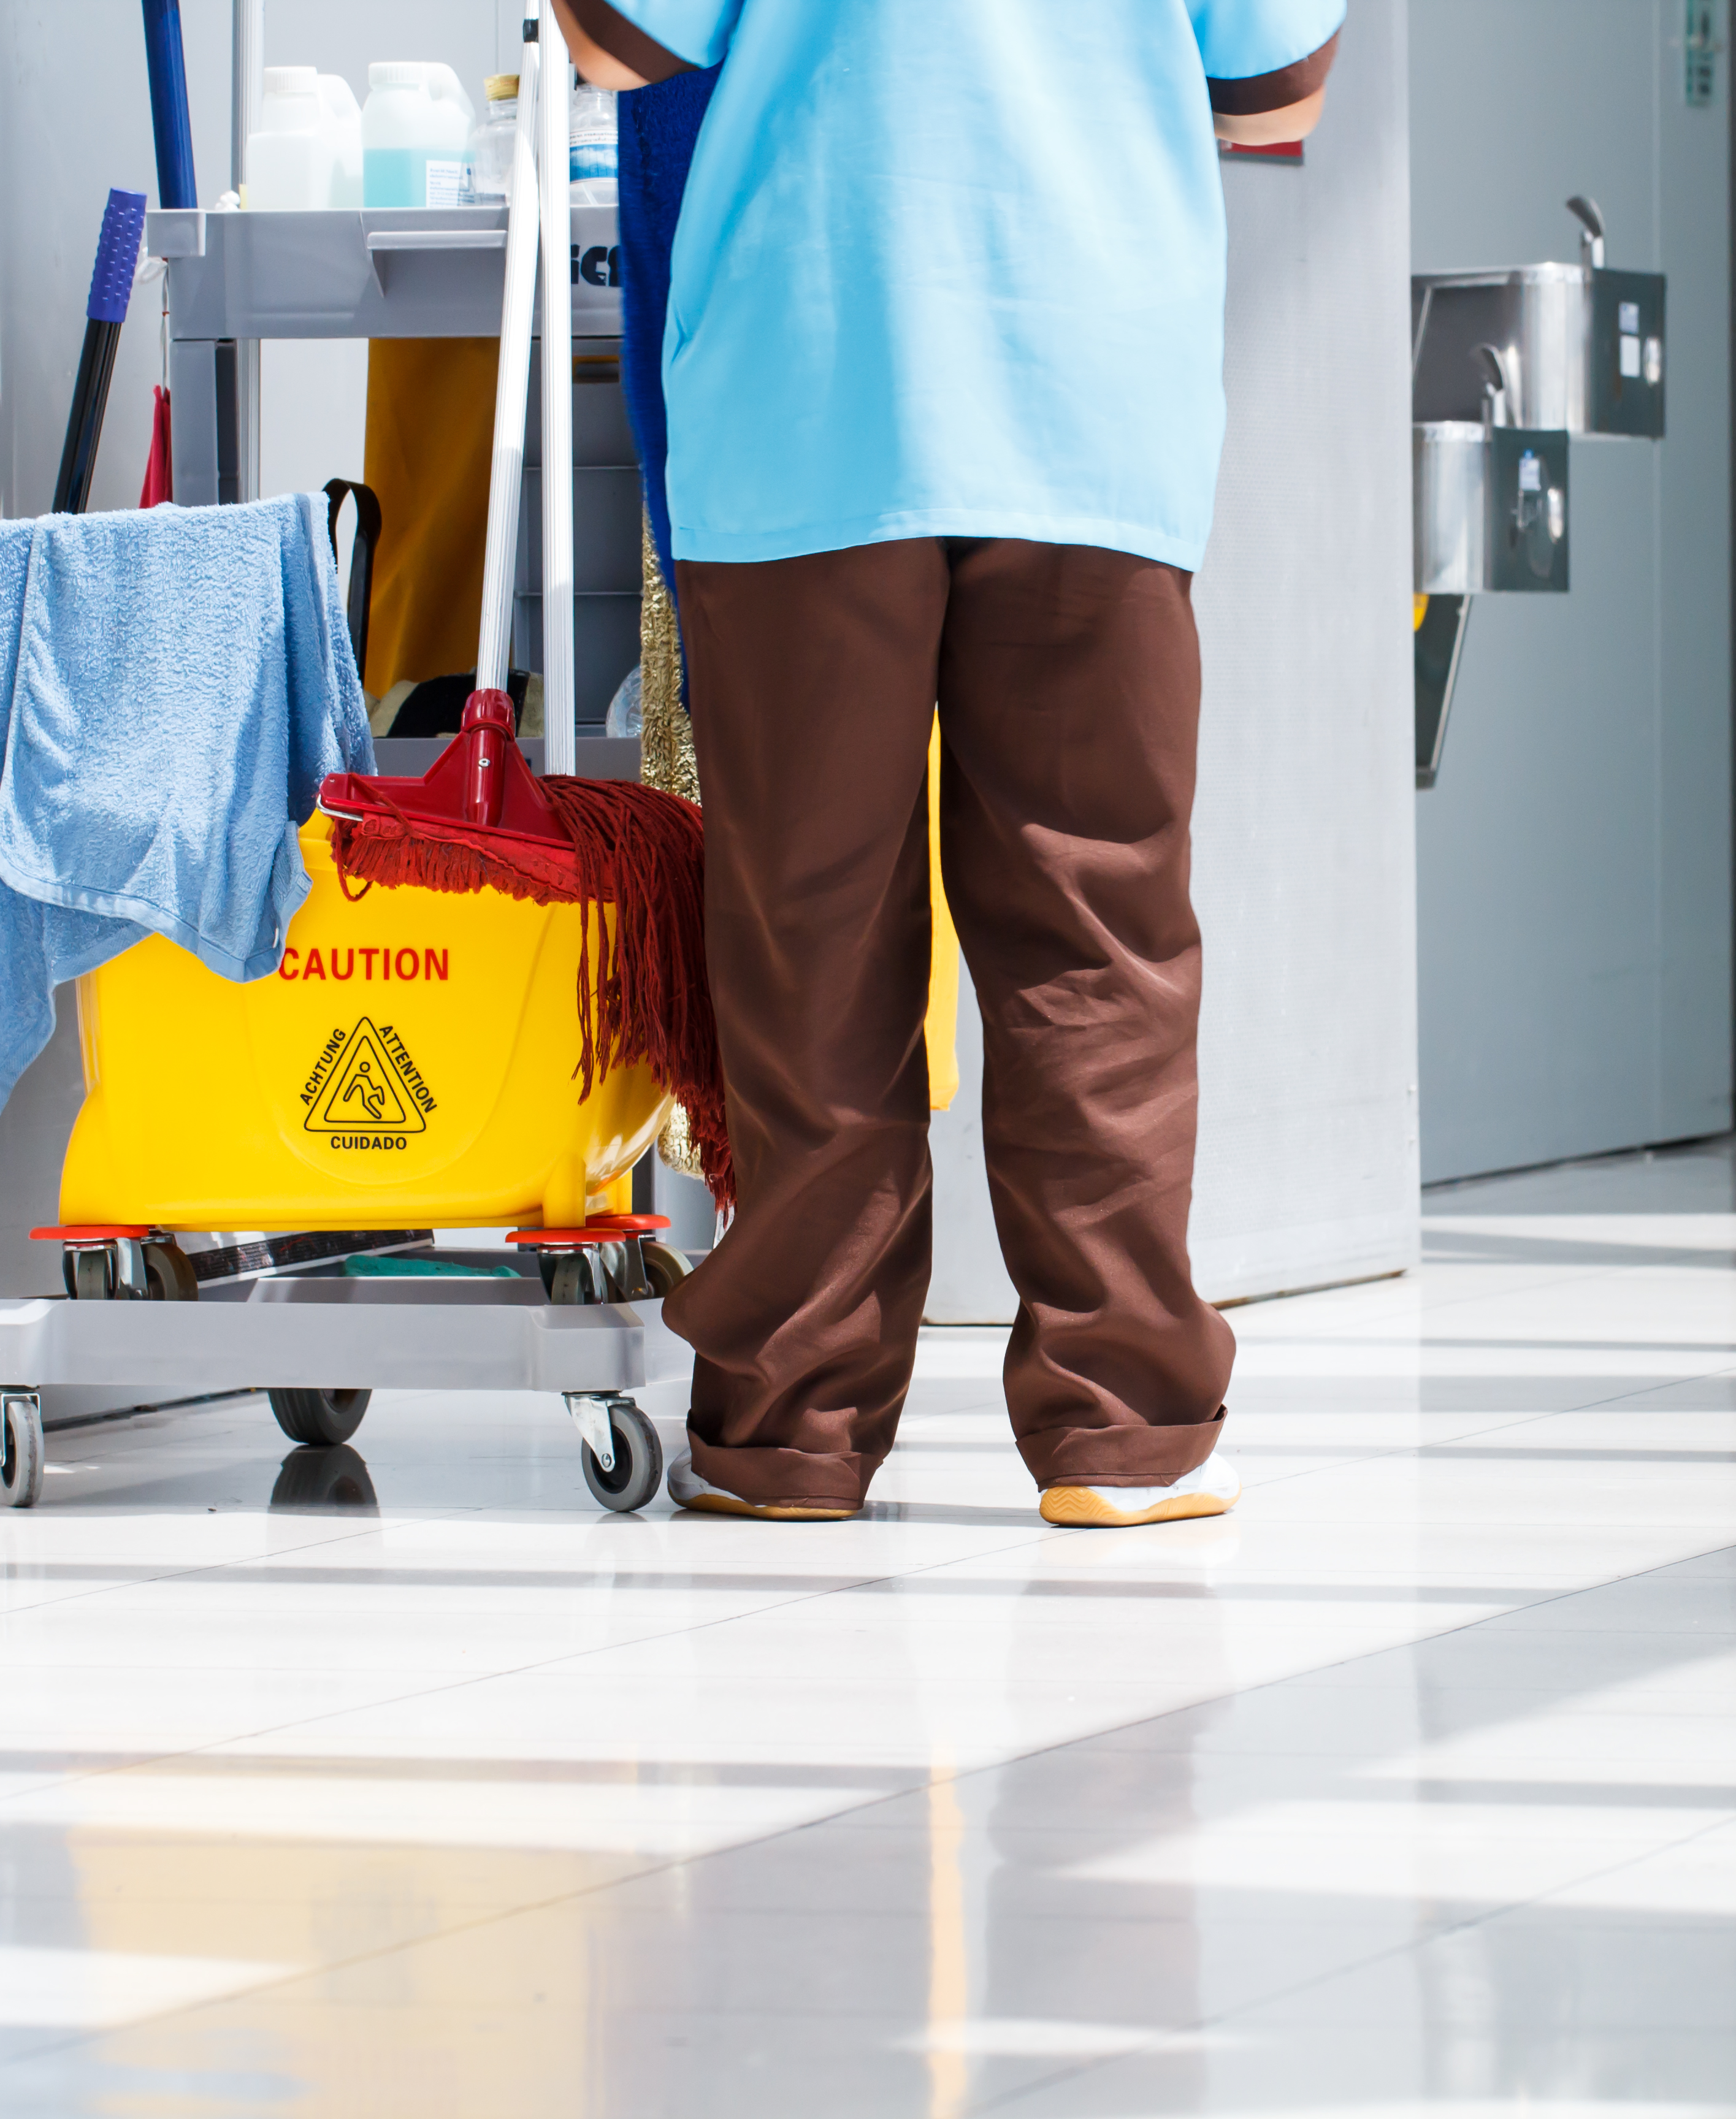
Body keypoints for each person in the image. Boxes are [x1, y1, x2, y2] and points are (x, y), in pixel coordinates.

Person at [548, 0, 1340, 1527]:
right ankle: (1123, 1430)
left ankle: (794, 1430)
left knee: (809, 931)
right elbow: (1272, 98)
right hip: (1092, 403)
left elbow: (619, 49)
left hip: (810, 382)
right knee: (1098, 935)